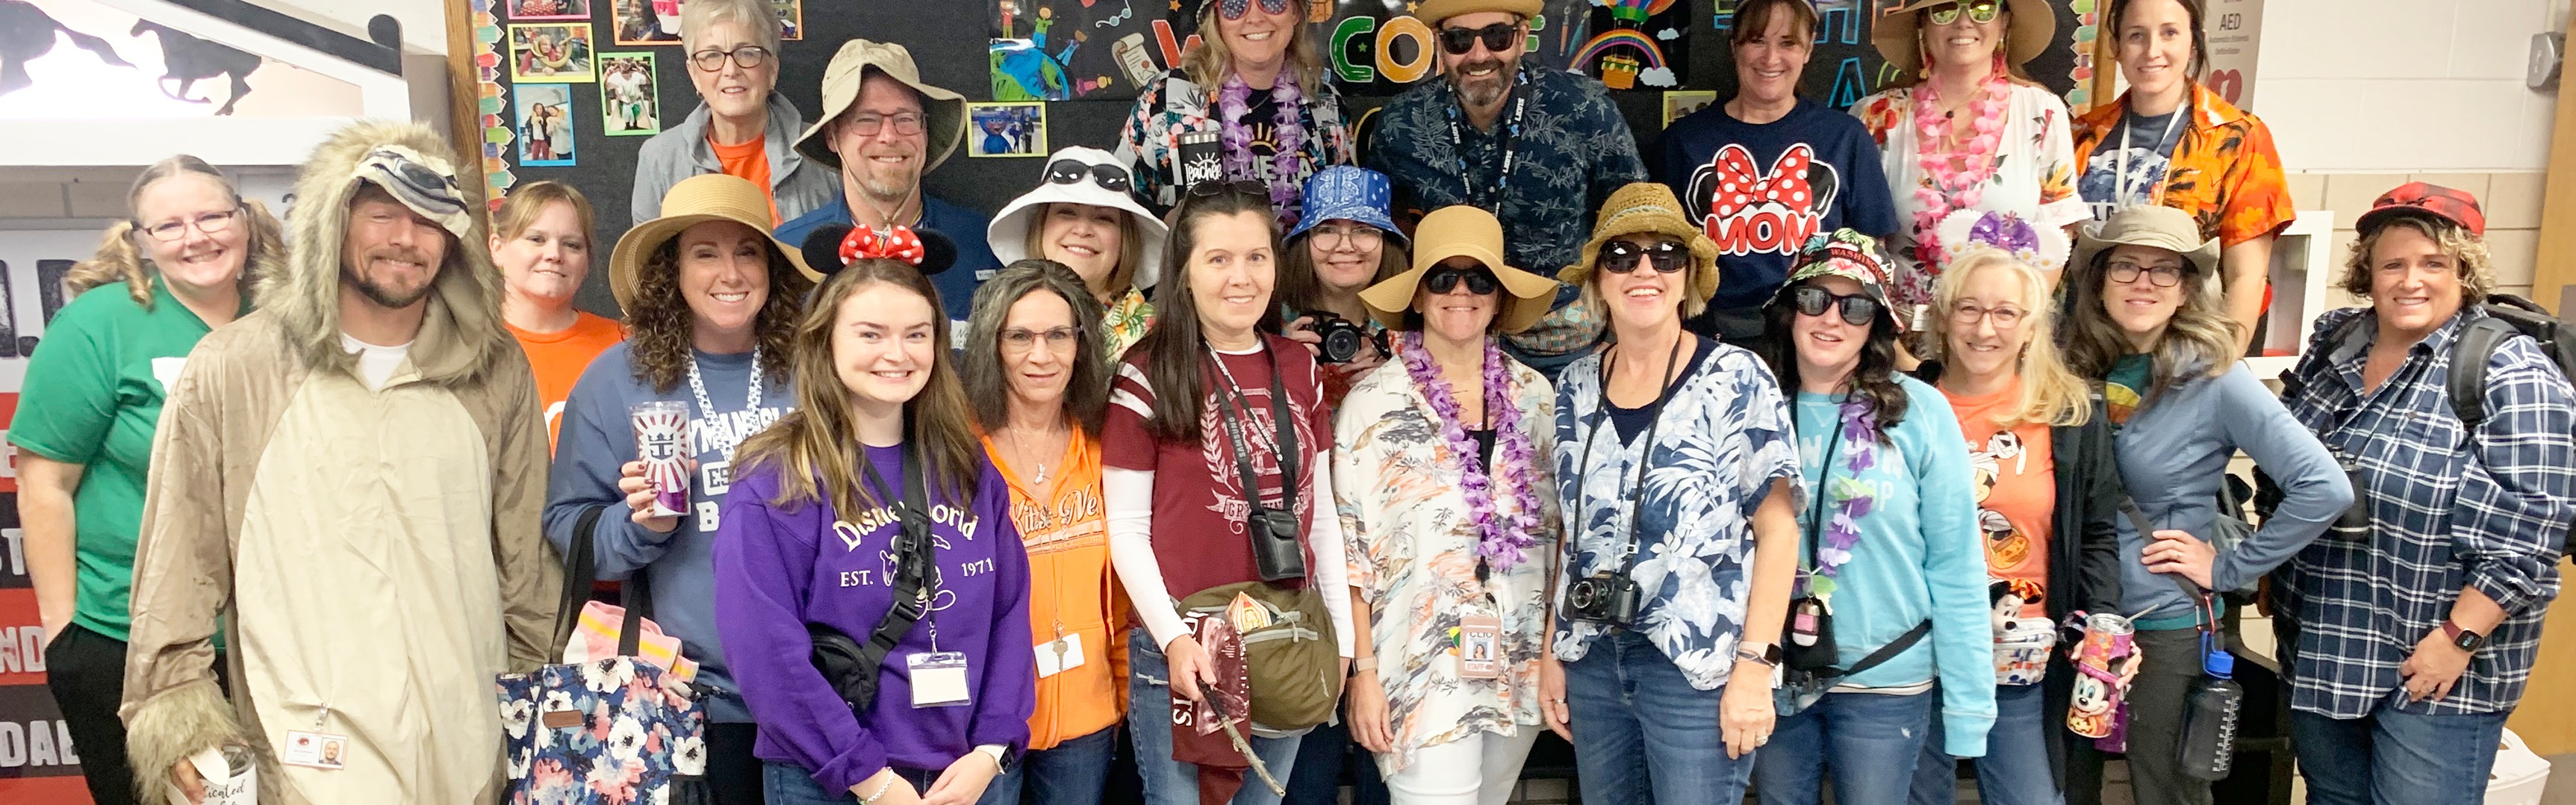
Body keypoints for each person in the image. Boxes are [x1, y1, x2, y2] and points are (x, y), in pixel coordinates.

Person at [119, 121, 559, 802]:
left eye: (429, 220)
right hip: (310, 746)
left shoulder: (493, 369)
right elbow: (180, 553)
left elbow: (525, 559)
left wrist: (545, 700)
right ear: (333, 224)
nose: (405, 240)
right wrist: (177, 708)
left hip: (467, 738)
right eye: (382, 214)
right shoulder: (240, 368)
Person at [2273, 184, 2576, 805]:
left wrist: (2457, 640)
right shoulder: (2336, 345)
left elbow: (2530, 534)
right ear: (2369, 272)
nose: (2411, 281)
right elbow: (2285, 463)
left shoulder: (2508, 372)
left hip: (2438, 669)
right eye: (2394, 263)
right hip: (2325, 645)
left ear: (2464, 271)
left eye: (2434, 263)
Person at [2058, 205, 2351, 805]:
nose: (2144, 282)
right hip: (2073, 617)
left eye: (2164, 270)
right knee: (2067, 786)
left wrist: (2228, 568)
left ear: (2188, 287)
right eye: (2127, 266)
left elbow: (2325, 487)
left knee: (2165, 788)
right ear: (2098, 279)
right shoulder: (2068, 364)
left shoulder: (2216, 376)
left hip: (2159, 622)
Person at [715, 251, 1033, 805]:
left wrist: (991, 748)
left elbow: (1009, 614)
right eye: (871, 334)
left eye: (916, 334)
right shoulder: (777, 482)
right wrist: (871, 779)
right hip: (834, 778)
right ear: (825, 341)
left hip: (966, 775)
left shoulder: (967, 468)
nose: (897, 354)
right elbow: (767, 654)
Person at [13, 155, 279, 805]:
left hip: (271, 639)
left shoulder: (288, 320)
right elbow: (43, 483)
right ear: (140, 242)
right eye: (170, 226)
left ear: (246, 222)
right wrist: (65, 633)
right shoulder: (101, 324)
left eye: (214, 216)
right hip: (132, 643)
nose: (197, 237)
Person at [549, 172, 817, 804]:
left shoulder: (817, 364)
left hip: (821, 687)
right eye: (706, 253)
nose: (731, 272)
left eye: (747, 251)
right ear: (672, 270)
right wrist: (642, 524)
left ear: (772, 268)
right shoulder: (616, 378)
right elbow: (572, 530)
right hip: (687, 699)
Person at [1547, 183, 1800, 805]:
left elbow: (1779, 531)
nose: (1643, 270)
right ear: (1598, 280)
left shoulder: (1737, 377)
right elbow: (1566, 532)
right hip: (1593, 661)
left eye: (1665, 255)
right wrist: (1553, 651)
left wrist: (1755, 667)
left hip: (1697, 669)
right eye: (1621, 256)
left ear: (1688, 277)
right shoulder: (1574, 385)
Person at [1106, 182, 1357, 805]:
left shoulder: (1297, 369)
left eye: (1256, 257)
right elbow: (1128, 531)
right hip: (1187, 646)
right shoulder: (1147, 372)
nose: (1240, 277)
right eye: (1218, 259)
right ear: (1184, 271)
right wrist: (1173, 639)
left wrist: (1345, 645)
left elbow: (1318, 516)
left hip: (1287, 637)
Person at [1746, 231, 1989, 805]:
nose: (1831, 318)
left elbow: (1956, 562)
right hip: (1773, 671)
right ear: (1789, 309)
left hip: (1888, 676)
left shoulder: (1920, 410)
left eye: (1855, 306)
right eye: (1814, 300)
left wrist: (1970, 705)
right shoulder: (1751, 404)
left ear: (1877, 323)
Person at [1333, 205, 1561, 805]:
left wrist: (1551, 657)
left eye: (1479, 279)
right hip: (1416, 665)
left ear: (1499, 296)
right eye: (1442, 278)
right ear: (1417, 295)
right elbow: (1349, 551)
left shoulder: (1535, 396)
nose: (1461, 292)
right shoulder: (1370, 406)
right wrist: (1363, 675)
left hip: (1518, 662)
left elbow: (1561, 537)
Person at [1904, 248, 2127, 805]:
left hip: (2019, 653)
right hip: (1915, 649)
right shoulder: (1901, 404)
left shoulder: (2071, 411)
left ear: (2032, 327)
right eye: (1969, 309)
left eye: (2006, 313)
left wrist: (2101, 623)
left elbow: (2097, 530)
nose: (1985, 328)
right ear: (1943, 316)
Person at [1367, 0, 1647, 377]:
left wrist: (1628, 331)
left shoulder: (1584, 108)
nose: (1479, 54)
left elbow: (1632, 219)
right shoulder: (1401, 124)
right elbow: (1383, 236)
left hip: (1562, 340)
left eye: (1497, 36)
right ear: (1440, 44)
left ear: (1522, 37)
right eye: (1459, 39)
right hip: (1447, 332)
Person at [959, 260, 1125, 805]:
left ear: (1081, 344)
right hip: (981, 719)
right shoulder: (959, 452)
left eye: (1058, 335)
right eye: (1021, 337)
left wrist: (1122, 692)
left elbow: (1124, 589)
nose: (1041, 355)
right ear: (992, 345)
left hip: (1088, 714)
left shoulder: (1106, 447)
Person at [1658, 0, 1898, 349]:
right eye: (1757, 40)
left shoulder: (1844, 137)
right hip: (1710, 338)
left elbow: (1872, 253)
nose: (1771, 58)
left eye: (1788, 43)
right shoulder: (1684, 141)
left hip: (1817, 336)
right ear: (1734, 46)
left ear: (1809, 49)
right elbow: (1659, 256)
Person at [2072, 0, 2292, 355]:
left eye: (2170, 33)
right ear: (2115, 46)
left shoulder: (2238, 138)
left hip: (2185, 350)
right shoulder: (2082, 134)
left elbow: (2246, 278)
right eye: (2136, 35)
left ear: (2195, 42)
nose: (2152, 51)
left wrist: (2217, 371)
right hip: (2087, 343)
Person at [1850, 0, 2086, 332]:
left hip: (2002, 334)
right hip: (1896, 336)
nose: (1964, 22)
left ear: (2005, 23)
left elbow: (2057, 234)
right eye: (1944, 9)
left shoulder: (2042, 112)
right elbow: (1859, 241)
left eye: (1982, 7)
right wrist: (1888, 341)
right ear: (1923, 25)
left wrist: (2018, 330)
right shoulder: (1875, 117)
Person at [778, 38, 1004, 327]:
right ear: (832, 136)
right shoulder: (788, 253)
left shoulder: (985, 245)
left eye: (905, 118)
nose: (889, 136)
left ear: (925, 130)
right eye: (867, 119)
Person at [1113, 0, 1351, 225]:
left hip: (1298, 268)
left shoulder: (1326, 106)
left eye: (1273, 1)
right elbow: (1117, 198)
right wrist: (1172, 223)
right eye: (1235, 4)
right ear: (1217, 18)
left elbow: (1345, 214)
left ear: (1296, 12)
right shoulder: (1169, 96)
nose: (1255, 17)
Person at [632, 0, 836, 227]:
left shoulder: (823, 152)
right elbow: (652, 262)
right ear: (694, 75)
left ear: (773, 70)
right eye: (712, 56)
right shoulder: (659, 161)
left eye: (747, 53)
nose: (730, 70)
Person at [986, 146, 1170, 358]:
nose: (1082, 230)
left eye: (1103, 219)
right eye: (1067, 213)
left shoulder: (1161, 339)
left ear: (1126, 240)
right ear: (1041, 226)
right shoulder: (999, 319)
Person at [491, 180, 624, 450]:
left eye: (572, 245)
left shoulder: (625, 345)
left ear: (587, 261)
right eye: (536, 239)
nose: (554, 255)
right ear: (497, 248)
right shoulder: (468, 344)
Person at [1278, 166, 1410, 408]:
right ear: (1304, 242)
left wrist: (1396, 383)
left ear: (1386, 244)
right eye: (1327, 230)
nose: (1346, 246)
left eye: (1364, 230)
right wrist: (1279, 367)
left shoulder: (1414, 333)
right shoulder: (1268, 326)